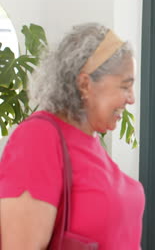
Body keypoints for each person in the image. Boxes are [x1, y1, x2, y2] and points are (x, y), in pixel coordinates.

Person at [0, 23, 144, 249]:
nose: (131, 99)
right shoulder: (38, 137)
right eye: (125, 86)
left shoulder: (91, 142)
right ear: (85, 84)